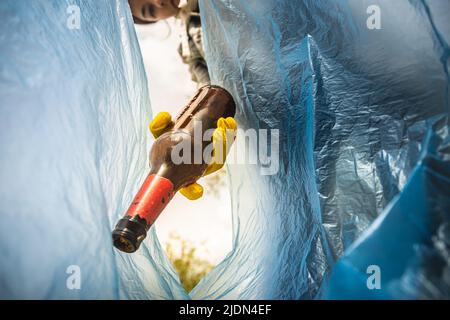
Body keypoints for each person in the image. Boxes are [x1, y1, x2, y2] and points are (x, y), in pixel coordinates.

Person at [128, 0, 237, 201]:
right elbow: (214, 95)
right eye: (150, 11)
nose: (158, 2)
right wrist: (198, 136)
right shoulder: (190, 46)